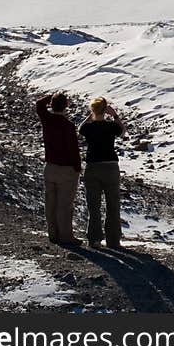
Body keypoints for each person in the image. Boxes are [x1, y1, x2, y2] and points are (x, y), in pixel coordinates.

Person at [35, 92, 82, 246]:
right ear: (66, 106)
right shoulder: (68, 126)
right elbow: (73, 149)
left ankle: (53, 234)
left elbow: (39, 105)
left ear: (52, 105)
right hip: (66, 169)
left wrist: (50, 97)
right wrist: (77, 167)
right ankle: (66, 236)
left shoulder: (47, 119)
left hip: (50, 167)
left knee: (50, 202)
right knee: (64, 205)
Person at [79, 97, 125, 249]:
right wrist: (115, 115)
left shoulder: (89, 128)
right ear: (105, 110)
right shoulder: (111, 126)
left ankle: (94, 239)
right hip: (111, 167)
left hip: (93, 167)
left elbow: (80, 128)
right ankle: (113, 240)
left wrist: (90, 115)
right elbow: (122, 131)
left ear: (93, 110)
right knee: (113, 204)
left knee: (94, 205)